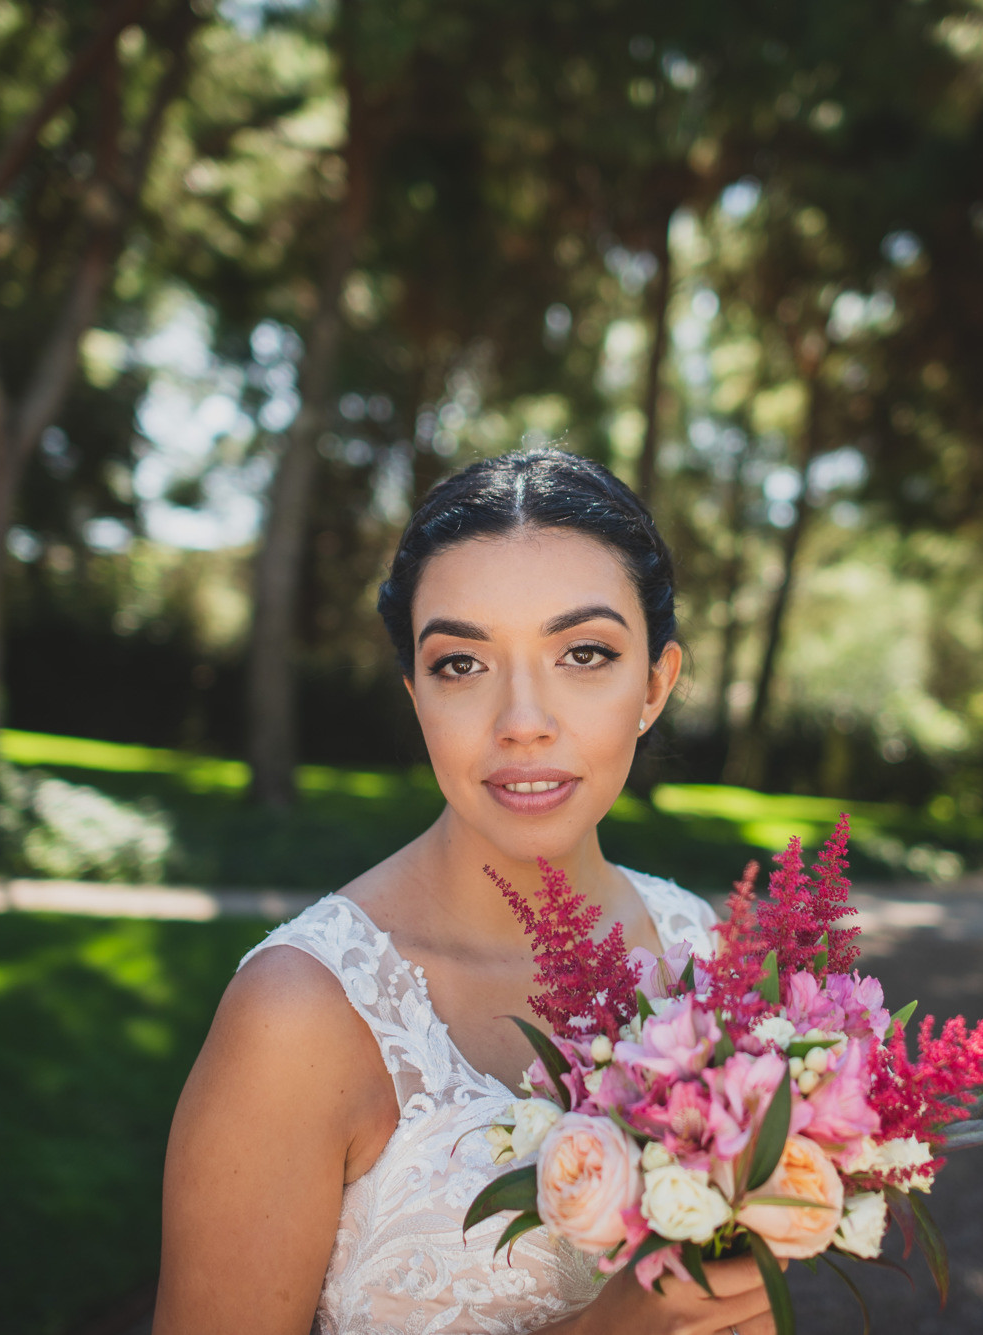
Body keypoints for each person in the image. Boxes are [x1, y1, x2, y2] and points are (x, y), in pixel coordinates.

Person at [156, 450, 781, 1335]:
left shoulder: (701, 947)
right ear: (415, 690)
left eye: (585, 653)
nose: (523, 720)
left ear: (655, 684)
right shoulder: (299, 1013)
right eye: (461, 664)